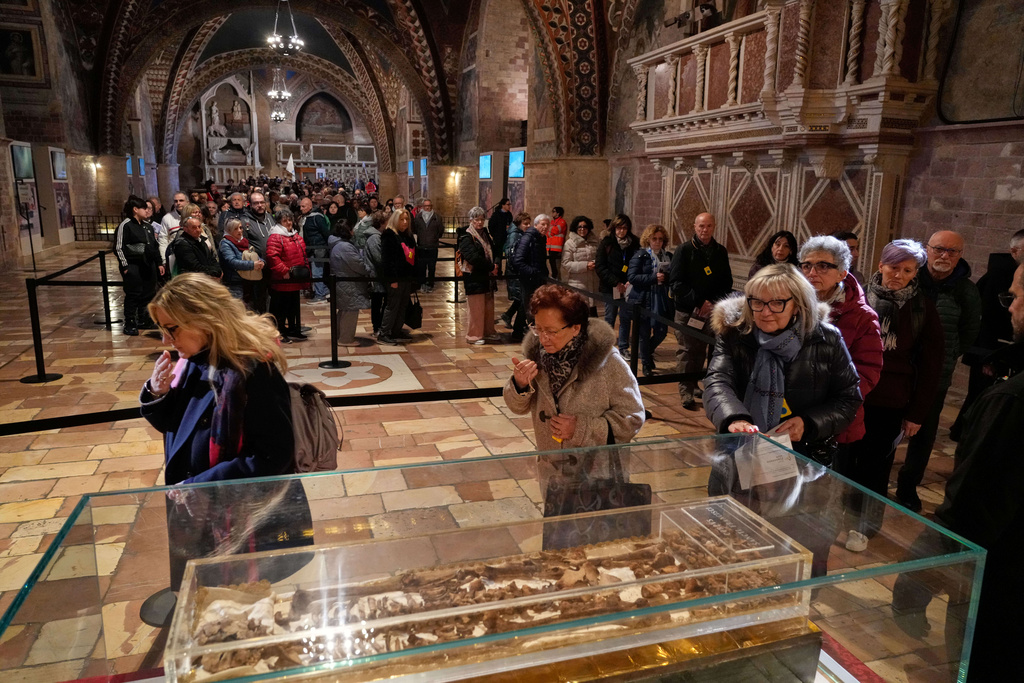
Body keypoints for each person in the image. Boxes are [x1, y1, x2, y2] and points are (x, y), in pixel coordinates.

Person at [892, 262, 1024, 683]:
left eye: (1017, 295)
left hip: (1001, 589)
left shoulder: (1012, 402)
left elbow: (969, 511)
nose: (1011, 308)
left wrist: (914, 582)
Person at [703, 264, 862, 576]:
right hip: (742, 457)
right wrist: (733, 417)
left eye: (777, 303)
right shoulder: (736, 335)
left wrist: (809, 422)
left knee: (801, 548)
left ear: (798, 303)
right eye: (757, 302)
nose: (765, 312)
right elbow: (717, 381)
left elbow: (848, 397)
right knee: (732, 542)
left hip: (804, 462)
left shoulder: (825, 339)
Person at [843, 239, 944, 549]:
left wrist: (916, 414)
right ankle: (839, 516)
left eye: (908, 270)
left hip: (890, 399)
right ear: (880, 266)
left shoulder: (922, 308)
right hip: (854, 392)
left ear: (915, 273)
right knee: (844, 459)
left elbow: (931, 365)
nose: (899, 275)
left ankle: (865, 526)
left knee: (876, 465)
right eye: (894, 267)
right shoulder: (858, 298)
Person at [896, 230, 981, 512]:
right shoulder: (909, 277)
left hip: (936, 376)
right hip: (900, 370)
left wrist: (942, 358)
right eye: (939, 249)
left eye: (952, 251)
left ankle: (908, 487)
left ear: (959, 256)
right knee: (887, 425)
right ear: (927, 250)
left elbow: (968, 332)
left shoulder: (966, 291)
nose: (945, 256)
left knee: (924, 433)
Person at [504, 284, 645, 448]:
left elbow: (633, 418)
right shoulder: (538, 358)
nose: (543, 339)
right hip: (550, 467)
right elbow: (517, 408)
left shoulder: (608, 362)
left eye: (551, 331)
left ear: (576, 328)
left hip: (596, 469)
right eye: (538, 329)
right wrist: (520, 385)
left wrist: (581, 429)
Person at [797, 235, 883, 457]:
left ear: (843, 273)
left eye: (823, 266)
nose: (812, 272)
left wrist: (827, 405)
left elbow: (867, 371)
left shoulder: (862, 316)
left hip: (832, 417)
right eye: (806, 265)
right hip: (790, 413)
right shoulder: (788, 304)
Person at [949, 228, 1024, 440]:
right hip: (990, 351)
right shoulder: (1000, 273)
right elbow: (985, 318)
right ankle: (965, 435)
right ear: (1015, 250)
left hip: (1005, 352)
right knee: (979, 399)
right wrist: (988, 357)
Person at [669, 212, 733, 409]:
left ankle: (695, 383)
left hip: (711, 311)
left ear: (714, 227)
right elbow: (676, 283)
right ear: (695, 228)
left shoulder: (720, 251)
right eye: (701, 226)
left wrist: (713, 302)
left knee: (703, 350)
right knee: (687, 350)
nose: (705, 230)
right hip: (689, 310)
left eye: (709, 226)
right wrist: (698, 301)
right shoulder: (684, 250)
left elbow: (727, 282)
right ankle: (685, 390)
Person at [627, 224, 673, 376]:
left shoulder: (668, 256)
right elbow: (632, 277)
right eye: (654, 239)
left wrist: (666, 278)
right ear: (648, 239)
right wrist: (654, 277)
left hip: (661, 297)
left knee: (661, 331)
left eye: (660, 239)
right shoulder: (640, 255)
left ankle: (646, 352)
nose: (657, 242)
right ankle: (646, 364)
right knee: (643, 333)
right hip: (644, 297)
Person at [114, 196, 163, 336]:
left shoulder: (147, 226)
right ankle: (130, 322)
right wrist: (125, 266)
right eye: (145, 208)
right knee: (133, 294)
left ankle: (144, 319)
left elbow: (154, 246)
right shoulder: (126, 225)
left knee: (148, 293)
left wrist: (159, 263)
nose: (148, 211)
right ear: (135, 209)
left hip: (148, 265)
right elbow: (119, 247)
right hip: (133, 265)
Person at [596, 214, 640, 358]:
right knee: (610, 317)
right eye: (619, 228)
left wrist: (629, 281)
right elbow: (600, 266)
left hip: (628, 286)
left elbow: (637, 264)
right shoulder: (607, 243)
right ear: (614, 228)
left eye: (624, 228)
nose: (621, 231)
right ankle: (607, 347)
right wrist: (616, 282)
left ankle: (623, 347)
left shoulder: (634, 243)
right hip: (611, 287)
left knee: (626, 317)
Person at [265, 206, 308, 342]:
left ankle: (294, 329)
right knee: (281, 307)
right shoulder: (275, 236)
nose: (288, 223)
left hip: (295, 279)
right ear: (279, 222)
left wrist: (305, 271)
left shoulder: (295, 235)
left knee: (293, 306)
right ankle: (281, 332)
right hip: (283, 279)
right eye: (285, 221)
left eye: (290, 220)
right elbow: (272, 256)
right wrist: (284, 271)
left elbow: (303, 255)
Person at [458, 207, 499, 344]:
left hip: (487, 277)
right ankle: (474, 335)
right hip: (475, 277)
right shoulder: (466, 236)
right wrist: (491, 267)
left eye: (482, 219)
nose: (480, 222)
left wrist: (496, 264)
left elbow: (494, 249)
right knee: (476, 308)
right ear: (471, 220)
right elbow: (472, 257)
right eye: (477, 219)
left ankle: (488, 331)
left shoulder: (486, 234)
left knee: (488, 306)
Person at [377, 209, 418, 345]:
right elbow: (387, 261)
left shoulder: (408, 236)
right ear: (395, 220)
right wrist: (392, 279)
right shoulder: (389, 235)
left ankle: (396, 330)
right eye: (402, 219)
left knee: (403, 305)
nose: (405, 222)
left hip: (406, 277)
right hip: (395, 278)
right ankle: (384, 333)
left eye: (407, 219)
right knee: (392, 305)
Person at [328, 220, 371, 347]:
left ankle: (339, 335)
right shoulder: (344, 247)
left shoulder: (339, 244)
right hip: (349, 284)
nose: (354, 232)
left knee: (345, 310)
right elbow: (357, 265)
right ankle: (346, 339)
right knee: (350, 311)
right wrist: (367, 269)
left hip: (344, 282)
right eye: (351, 229)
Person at [513, 214, 551, 324]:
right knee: (531, 310)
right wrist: (533, 272)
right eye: (542, 224)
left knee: (536, 309)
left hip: (538, 279)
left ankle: (520, 332)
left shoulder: (541, 238)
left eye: (547, 225)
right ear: (536, 225)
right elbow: (518, 260)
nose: (545, 227)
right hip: (529, 280)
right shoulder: (528, 237)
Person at [561, 216, 600, 316]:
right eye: (580, 227)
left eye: (585, 227)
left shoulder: (595, 242)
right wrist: (585, 265)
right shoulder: (570, 243)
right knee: (579, 313)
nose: (582, 229)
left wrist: (595, 262)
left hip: (592, 282)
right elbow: (566, 263)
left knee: (592, 315)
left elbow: (600, 257)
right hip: (578, 283)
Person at [219, 217, 264, 303]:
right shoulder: (225, 243)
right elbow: (232, 262)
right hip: (234, 283)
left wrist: (261, 262)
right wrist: (253, 265)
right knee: (237, 310)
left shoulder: (243, 241)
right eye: (235, 229)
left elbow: (254, 255)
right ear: (229, 230)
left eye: (240, 227)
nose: (240, 231)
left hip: (248, 280)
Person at [502, 212, 531, 343]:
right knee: (522, 297)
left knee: (522, 297)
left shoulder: (520, 234)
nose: (528, 226)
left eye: (529, 223)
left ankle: (510, 316)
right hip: (516, 272)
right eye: (525, 223)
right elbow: (511, 252)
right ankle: (517, 326)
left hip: (520, 272)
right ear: (519, 224)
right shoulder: (515, 235)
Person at [298, 197, 331, 302]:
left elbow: (325, 232)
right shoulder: (305, 217)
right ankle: (324, 291)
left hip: (318, 248)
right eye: (300, 206)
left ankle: (320, 295)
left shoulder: (317, 217)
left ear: (310, 206)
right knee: (315, 272)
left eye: (303, 206)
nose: (301, 208)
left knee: (317, 272)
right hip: (311, 248)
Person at [413, 198, 444, 292]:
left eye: (429, 206)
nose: (427, 208)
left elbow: (440, 231)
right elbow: (415, 229)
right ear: (422, 207)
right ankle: (422, 283)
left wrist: (434, 238)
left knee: (431, 266)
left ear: (431, 206)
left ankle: (430, 283)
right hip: (421, 246)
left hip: (432, 246)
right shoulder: (418, 217)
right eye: (425, 206)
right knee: (421, 266)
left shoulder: (437, 217)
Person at [488, 198, 513, 275]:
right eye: (508, 204)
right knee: (498, 256)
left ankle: (507, 272)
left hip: (507, 238)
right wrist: (495, 235)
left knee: (508, 255)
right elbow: (491, 226)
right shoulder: (496, 215)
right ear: (503, 205)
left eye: (510, 204)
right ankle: (498, 271)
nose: (509, 206)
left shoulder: (509, 214)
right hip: (499, 238)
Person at [547, 206, 567, 278]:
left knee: (556, 266)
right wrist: (551, 230)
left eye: (553, 211)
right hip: (550, 247)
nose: (552, 213)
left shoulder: (562, 222)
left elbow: (555, 230)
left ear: (558, 213)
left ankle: (557, 280)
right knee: (552, 264)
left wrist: (550, 230)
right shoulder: (552, 222)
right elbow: (548, 232)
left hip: (557, 247)